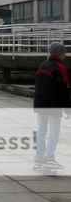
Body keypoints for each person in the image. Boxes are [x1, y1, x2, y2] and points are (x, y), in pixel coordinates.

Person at [33, 42, 71, 170]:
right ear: (59, 54)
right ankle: (49, 157)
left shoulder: (43, 65)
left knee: (41, 130)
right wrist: (67, 108)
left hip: (40, 103)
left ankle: (39, 156)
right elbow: (63, 89)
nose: (65, 55)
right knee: (54, 131)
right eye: (64, 52)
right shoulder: (60, 67)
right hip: (53, 104)